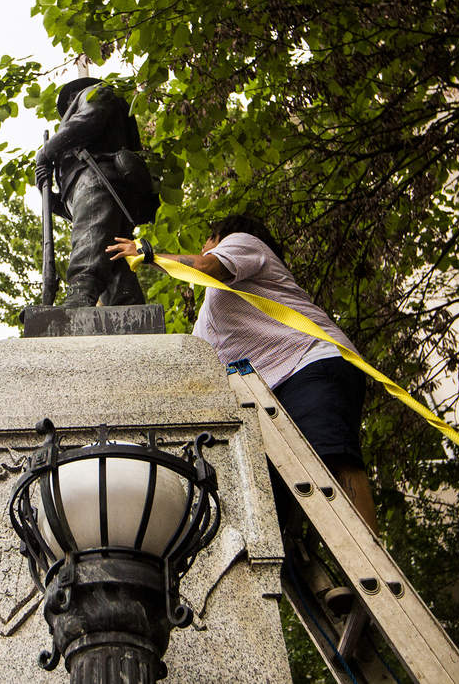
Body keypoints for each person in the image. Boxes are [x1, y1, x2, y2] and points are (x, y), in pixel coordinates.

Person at [106, 215, 378, 533]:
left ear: (218, 238)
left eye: (207, 241)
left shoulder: (243, 242)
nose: (204, 247)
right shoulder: (208, 318)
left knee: (330, 458)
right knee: (277, 500)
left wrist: (148, 253)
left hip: (307, 363)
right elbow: (191, 367)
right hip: (268, 395)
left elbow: (207, 267)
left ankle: (374, 561)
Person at [35, 78, 155, 308]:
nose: (70, 107)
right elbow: (84, 215)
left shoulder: (95, 93)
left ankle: (80, 295)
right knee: (113, 253)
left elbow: (90, 118)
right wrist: (52, 200)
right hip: (104, 186)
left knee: (92, 240)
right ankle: (127, 306)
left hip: (99, 178)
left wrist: (47, 152)